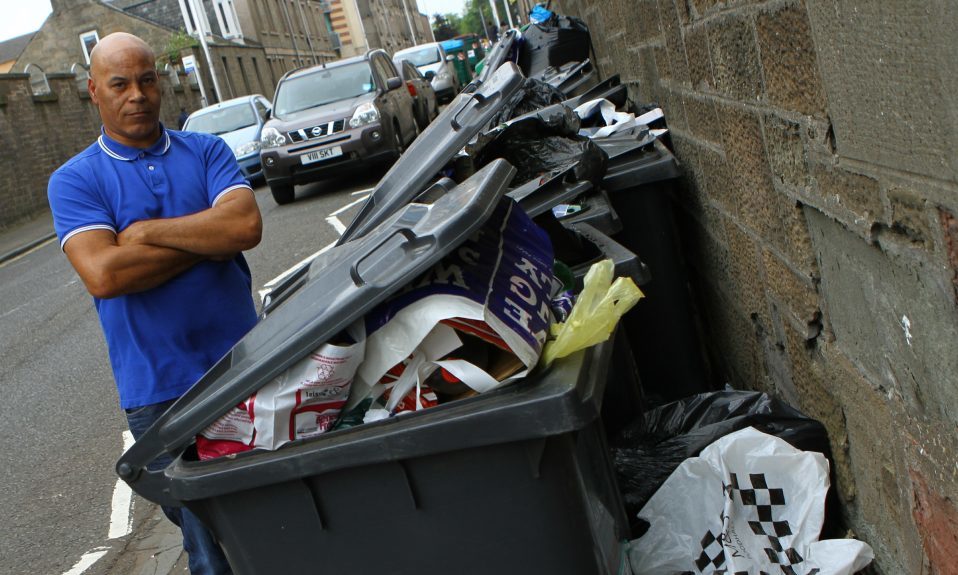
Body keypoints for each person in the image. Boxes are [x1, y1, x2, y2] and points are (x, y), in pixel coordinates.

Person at [47, 32, 261, 575]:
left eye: (146, 80)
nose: (137, 95)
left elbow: (243, 227)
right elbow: (105, 274)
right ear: (94, 91)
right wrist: (205, 241)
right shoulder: (74, 181)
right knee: (208, 542)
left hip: (247, 366)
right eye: (120, 84)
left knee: (273, 509)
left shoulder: (206, 150)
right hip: (158, 391)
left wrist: (144, 233)